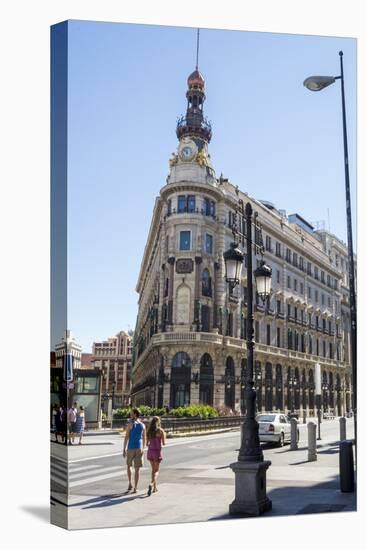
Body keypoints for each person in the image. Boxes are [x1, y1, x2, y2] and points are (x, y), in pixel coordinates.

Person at [123, 408, 146, 493]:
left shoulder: (130, 424)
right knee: (137, 469)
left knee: (129, 466)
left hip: (131, 448)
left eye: (132, 413)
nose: (130, 415)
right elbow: (144, 438)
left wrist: (124, 448)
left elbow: (126, 437)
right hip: (139, 448)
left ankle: (130, 483)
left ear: (135, 414)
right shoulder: (142, 425)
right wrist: (143, 448)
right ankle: (135, 488)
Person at [146, 416, 166, 496]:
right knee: (157, 471)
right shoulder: (160, 431)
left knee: (153, 470)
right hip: (157, 452)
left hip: (150, 451)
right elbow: (164, 443)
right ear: (158, 422)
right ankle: (151, 484)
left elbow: (147, 444)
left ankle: (154, 487)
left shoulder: (149, 431)